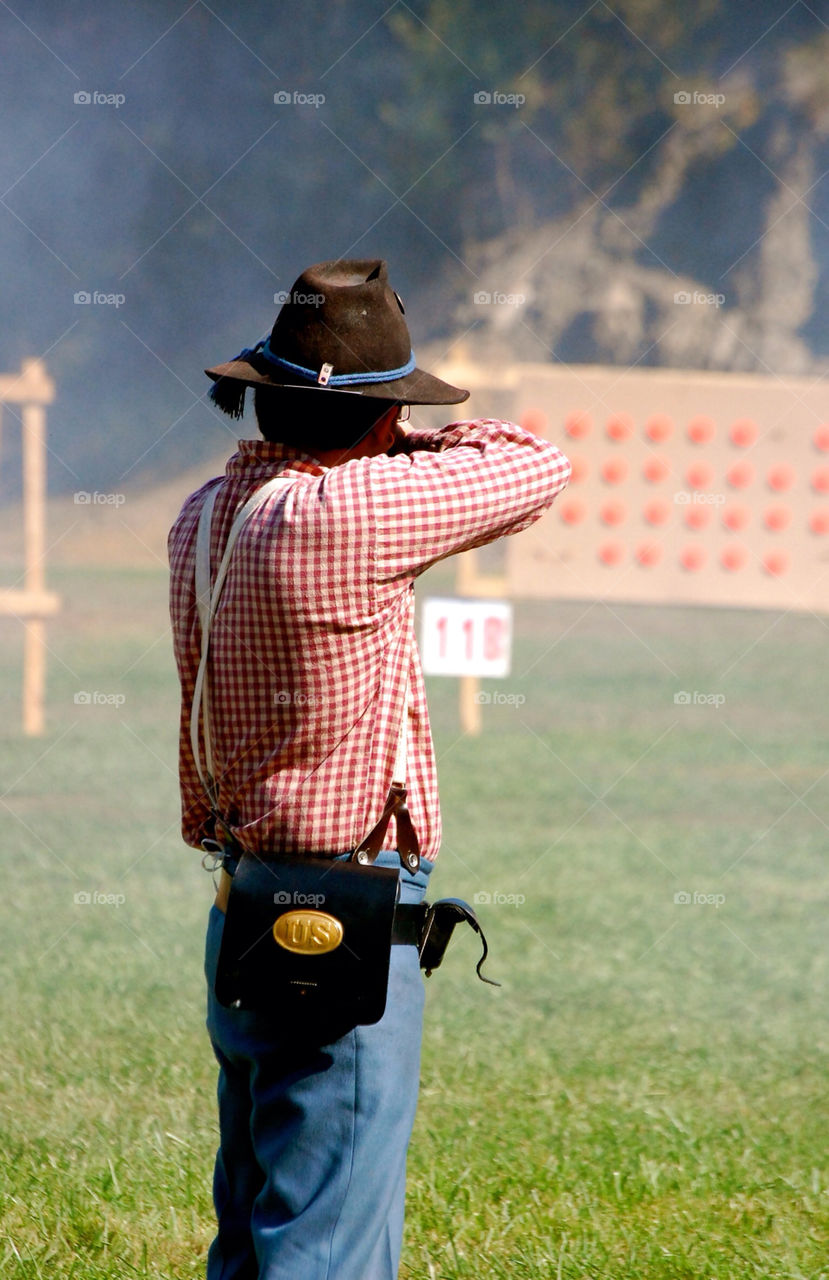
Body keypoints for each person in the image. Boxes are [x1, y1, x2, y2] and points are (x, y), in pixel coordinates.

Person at [168, 258, 571, 1280]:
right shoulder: (346, 516)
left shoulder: (204, 516)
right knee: (327, 1243)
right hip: (340, 913)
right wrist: (400, 433)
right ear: (376, 423)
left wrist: (374, 429)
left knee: (259, 1220)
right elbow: (533, 462)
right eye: (389, 411)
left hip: (247, 896)